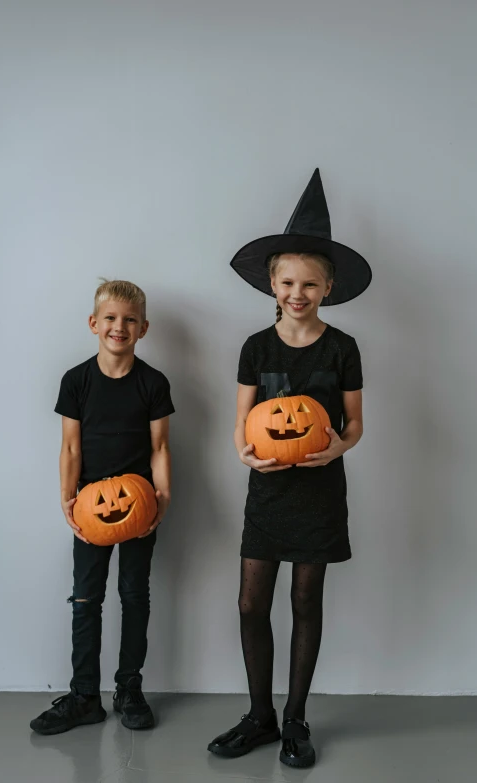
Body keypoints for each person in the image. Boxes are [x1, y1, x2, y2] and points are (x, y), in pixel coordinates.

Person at [208, 169, 371, 768]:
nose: (297, 292)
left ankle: (296, 719)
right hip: (268, 490)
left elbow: (353, 425)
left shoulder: (342, 348)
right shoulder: (256, 346)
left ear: (327, 288)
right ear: (271, 286)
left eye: (309, 283)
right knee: (252, 603)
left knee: (306, 601)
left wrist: (338, 448)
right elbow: (242, 421)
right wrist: (245, 452)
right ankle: (259, 715)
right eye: (287, 282)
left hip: (320, 489)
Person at [30, 279, 174, 735]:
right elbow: (70, 448)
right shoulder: (77, 381)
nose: (119, 326)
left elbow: (160, 447)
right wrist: (67, 500)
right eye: (110, 318)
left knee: (134, 597)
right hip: (91, 507)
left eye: (129, 320)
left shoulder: (153, 382)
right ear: (94, 324)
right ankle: (84, 696)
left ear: (143, 328)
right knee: (86, 600)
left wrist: (163, 497)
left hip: (138, 505)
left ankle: (129, 689)